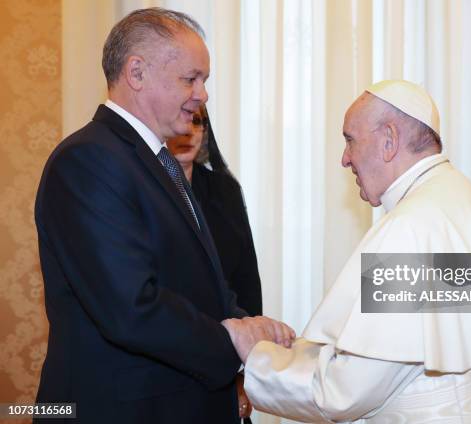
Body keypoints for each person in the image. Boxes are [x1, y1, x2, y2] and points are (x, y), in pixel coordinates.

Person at [34, 8, 293, 424]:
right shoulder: (88, 160)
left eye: (204, 81)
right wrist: (230, 339)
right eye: (190, 78)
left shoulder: (155, 162)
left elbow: (196, 283)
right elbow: (130, 306)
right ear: (136, 73)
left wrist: (252, 326)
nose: (203, 94)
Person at [243, 80, 471, 423]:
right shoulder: (456, 194)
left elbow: (344, 393)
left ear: (388, 140)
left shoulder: (410, 226)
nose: (344, 158)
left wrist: (255, 357)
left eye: (350, 139)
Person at [167, 105, 262, 420]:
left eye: (198, 122)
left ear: (206, 131)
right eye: (184, 120)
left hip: (225, 355)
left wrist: (247, 372)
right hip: (168, 353)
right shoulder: (145, 187)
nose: (189, 131)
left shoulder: (225, 190)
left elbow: (247, 280)